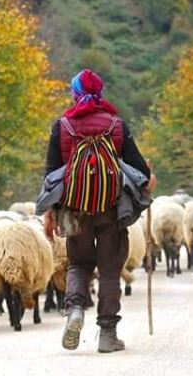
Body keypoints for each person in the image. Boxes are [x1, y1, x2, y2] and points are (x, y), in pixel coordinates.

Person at [43, 69, 155, 353]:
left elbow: (50, 175)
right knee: (109, 269)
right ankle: (107, 334)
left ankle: (76, 310)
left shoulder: (63, 125)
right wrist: (148, 178)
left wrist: (49, 214)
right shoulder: (116, 125)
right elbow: (140, 170)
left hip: (73, 208)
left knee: (79, 263)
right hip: (111, 208)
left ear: (75, 92)